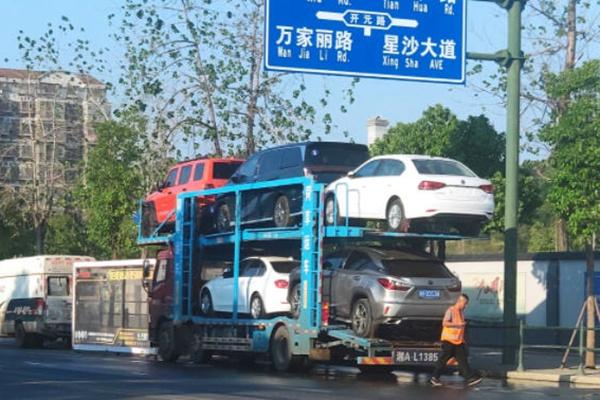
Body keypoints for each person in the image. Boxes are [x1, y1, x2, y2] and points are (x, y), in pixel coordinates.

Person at [430, 293, 482, 387]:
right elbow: (445, 323)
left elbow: (461, 328)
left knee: (463, 361)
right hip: (448, 341)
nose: (466, 306)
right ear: (460, 301)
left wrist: (463, 340)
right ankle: (435, 377)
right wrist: (457, 325)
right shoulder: (451, 310)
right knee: (443, 360)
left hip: (458, 342)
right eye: (465, 303)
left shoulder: (461, 312)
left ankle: (469, 378)